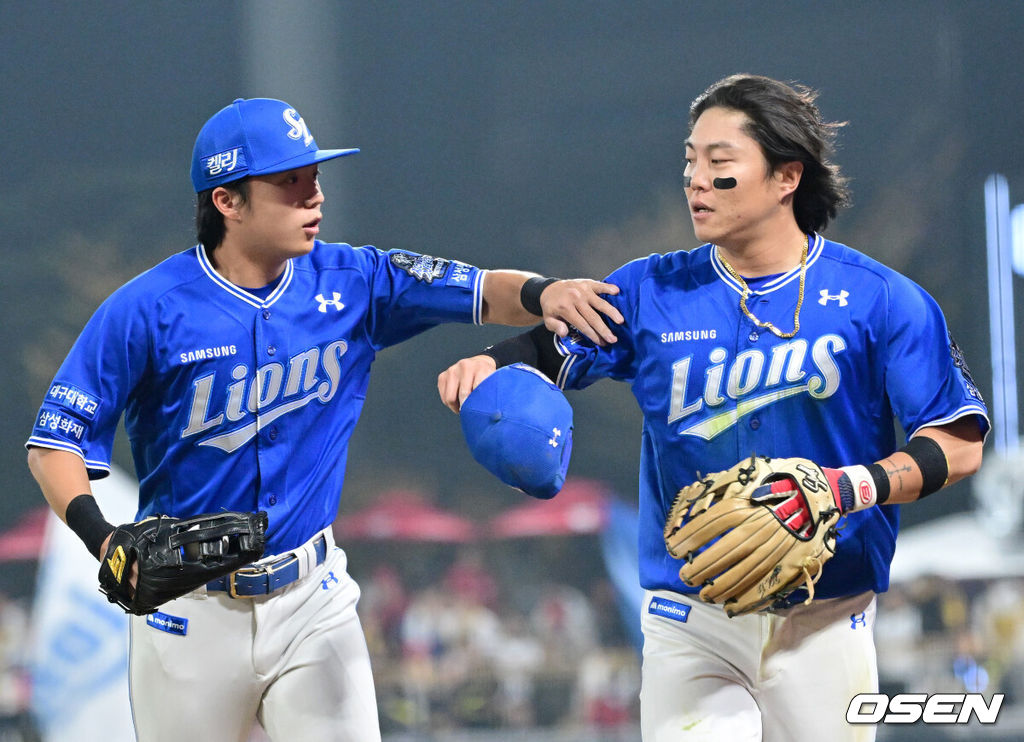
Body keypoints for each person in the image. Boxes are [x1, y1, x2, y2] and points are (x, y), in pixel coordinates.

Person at [24, 96, 622, 742]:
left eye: (314, 175)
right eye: (289, 182)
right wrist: (101, 535)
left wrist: (546, 292)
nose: (314, 195)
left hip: (312, 599)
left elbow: (476, 288)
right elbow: (55, 441)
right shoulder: (145, 309)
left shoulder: (354, 280)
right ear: (227, 201)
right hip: (187, 611)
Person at [438, 74, 989, 741]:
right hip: (690, 618)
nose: (695, 179)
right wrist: (493, 366)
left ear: (787, 177)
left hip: (826, 618)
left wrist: (847, 487)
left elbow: (958, 445)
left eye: (719, 163)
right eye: (690, 161)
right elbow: (548, 349)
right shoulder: (651, 290)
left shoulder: (881, 300)